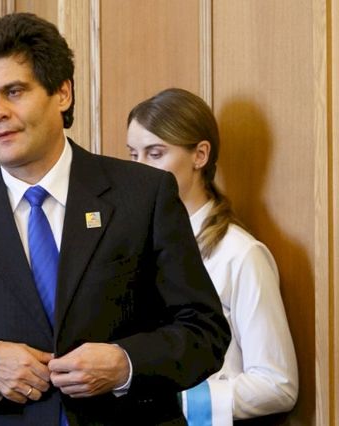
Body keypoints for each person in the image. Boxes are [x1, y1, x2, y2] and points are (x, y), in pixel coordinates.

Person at [0, 13, 230, 425]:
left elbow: (205, 332)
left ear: (62, 93)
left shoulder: (144, 194)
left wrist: (125, 363)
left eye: (14, 92)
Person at [126, 88, 298, 425]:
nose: (140, 169)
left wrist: (174, 401)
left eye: (155, 153)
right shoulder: (131, 245)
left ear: (200, 155)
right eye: (134, 155)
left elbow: (277, 384)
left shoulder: (241, 255)